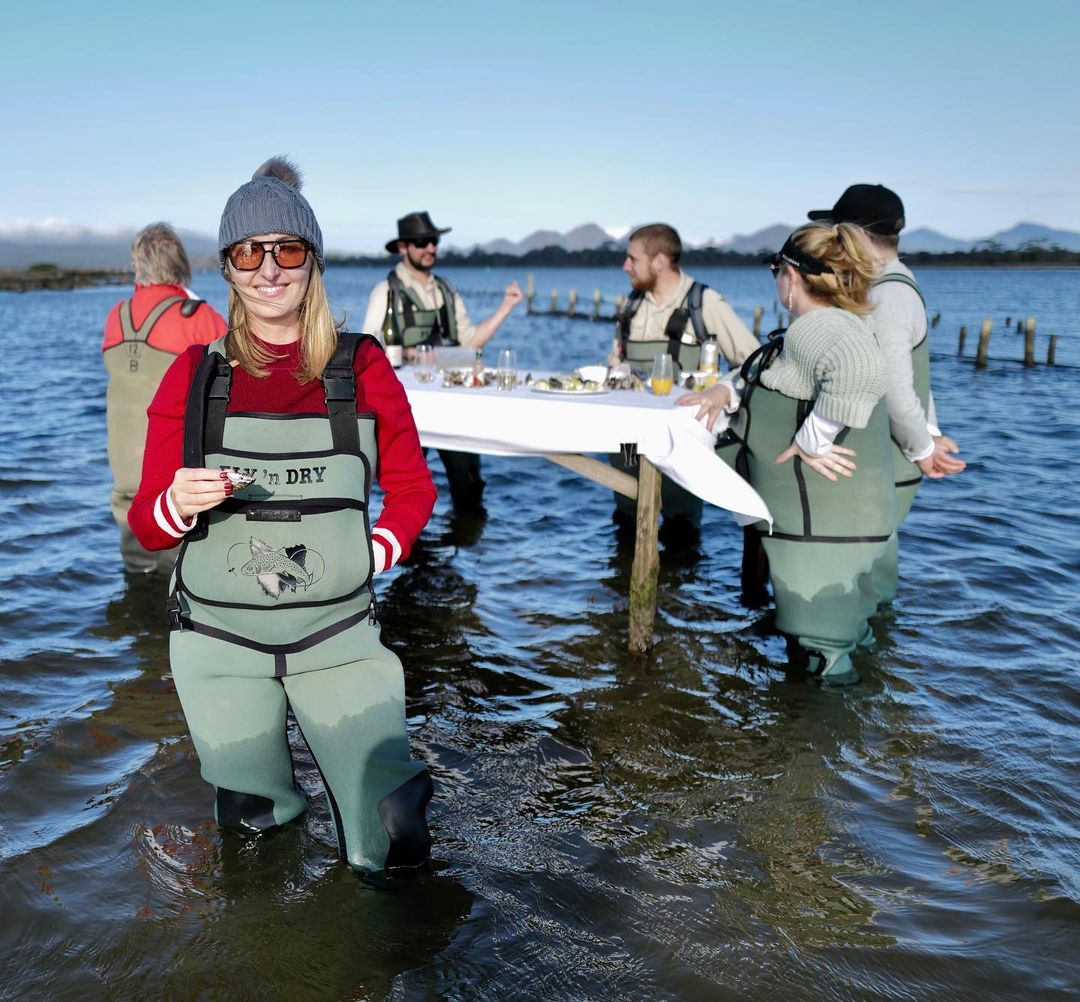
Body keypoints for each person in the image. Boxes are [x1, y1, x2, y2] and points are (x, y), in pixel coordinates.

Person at [128, 158, 438, 886]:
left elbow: (413, 489)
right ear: (228, 269)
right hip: (218, 643)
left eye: (287, 250)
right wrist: (178, 502)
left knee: (395, 828)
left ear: (312, 261)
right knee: (251, 834)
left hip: (339, 637)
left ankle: (395, 944)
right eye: (248, 253)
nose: (269, 269)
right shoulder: (194, 375)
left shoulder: (363, 367)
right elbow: (147, 523)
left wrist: (374, 550)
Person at [680, 223, 893, 685]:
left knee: (820, 658)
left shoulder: (824, 327)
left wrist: (814, 436)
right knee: (842, 643)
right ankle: (863, 727)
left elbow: (862, 369)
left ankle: (815, 730)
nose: (776, 279)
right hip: (833, 527)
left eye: (776, 270)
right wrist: (723, 390)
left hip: (819, 531)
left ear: (791, 276)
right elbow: (768, 369)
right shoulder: (823, 326)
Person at [807, 184, 965, 601]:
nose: (832, 241)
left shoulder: (888, 294)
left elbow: (895, 386)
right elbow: (911, 374)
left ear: (858, 235)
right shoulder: (890, 284)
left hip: (885, 461)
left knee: (861, 581)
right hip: (886, 456)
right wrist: (928, 432)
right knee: (870, 575)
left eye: (837, 232)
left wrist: (922, 447)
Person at [362, 211, 524, 510]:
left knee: (469, 487)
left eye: (434, 241)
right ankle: (406, 540)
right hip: (406, 407)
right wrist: (411, 355)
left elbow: (470, 343)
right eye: (421, 242)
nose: (430, 248)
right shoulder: (385, 292)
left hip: (453, 405)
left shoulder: (447, 290)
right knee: (405, 491)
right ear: (403, 247)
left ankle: (469, 533)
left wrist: (506, 307)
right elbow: (369, 350)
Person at [609, 223, 760, 540]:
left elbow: (753, 361)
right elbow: (616, 361)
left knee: (682, 535)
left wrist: (722, 391)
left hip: (682, 440)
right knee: (626, 526)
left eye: (633, 259)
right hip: (628, 439)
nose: (625, 266)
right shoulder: (631, 304)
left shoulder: (704, 303)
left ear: (660, 261)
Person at [102, 223, 225, 573]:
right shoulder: (198, 317)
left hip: (123, 461)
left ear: (137, 264)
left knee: (136, 566)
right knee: (180, 572)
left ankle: (135, 599)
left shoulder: (116, 316)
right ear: (180, 262)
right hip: (172, 472)